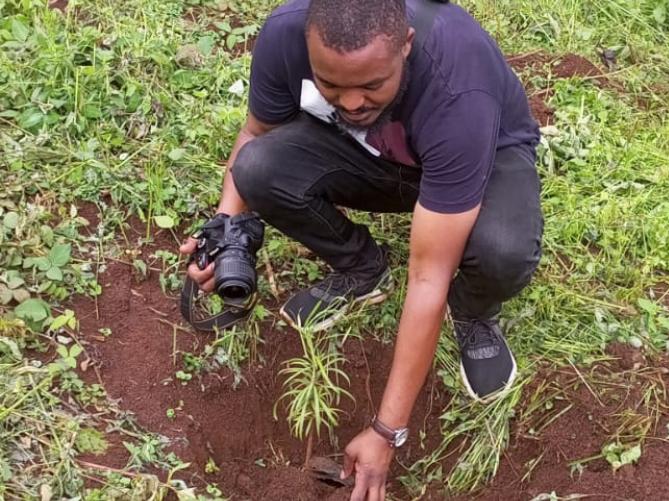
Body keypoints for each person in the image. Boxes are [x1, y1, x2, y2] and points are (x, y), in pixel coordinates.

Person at [179, 0, 542, 499]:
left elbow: (429, 276)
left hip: (480, 155)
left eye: (372, 85)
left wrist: (386, 431)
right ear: (310, 48)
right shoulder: (287, 35)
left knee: (502, 252)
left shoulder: (458, 83)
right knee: (257, 168)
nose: (351, 104)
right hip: (375, 153)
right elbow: (255, 133)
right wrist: (226, 230)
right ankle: (361, 267)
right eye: (331, 86)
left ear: (406, 46)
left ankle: (475, 309)